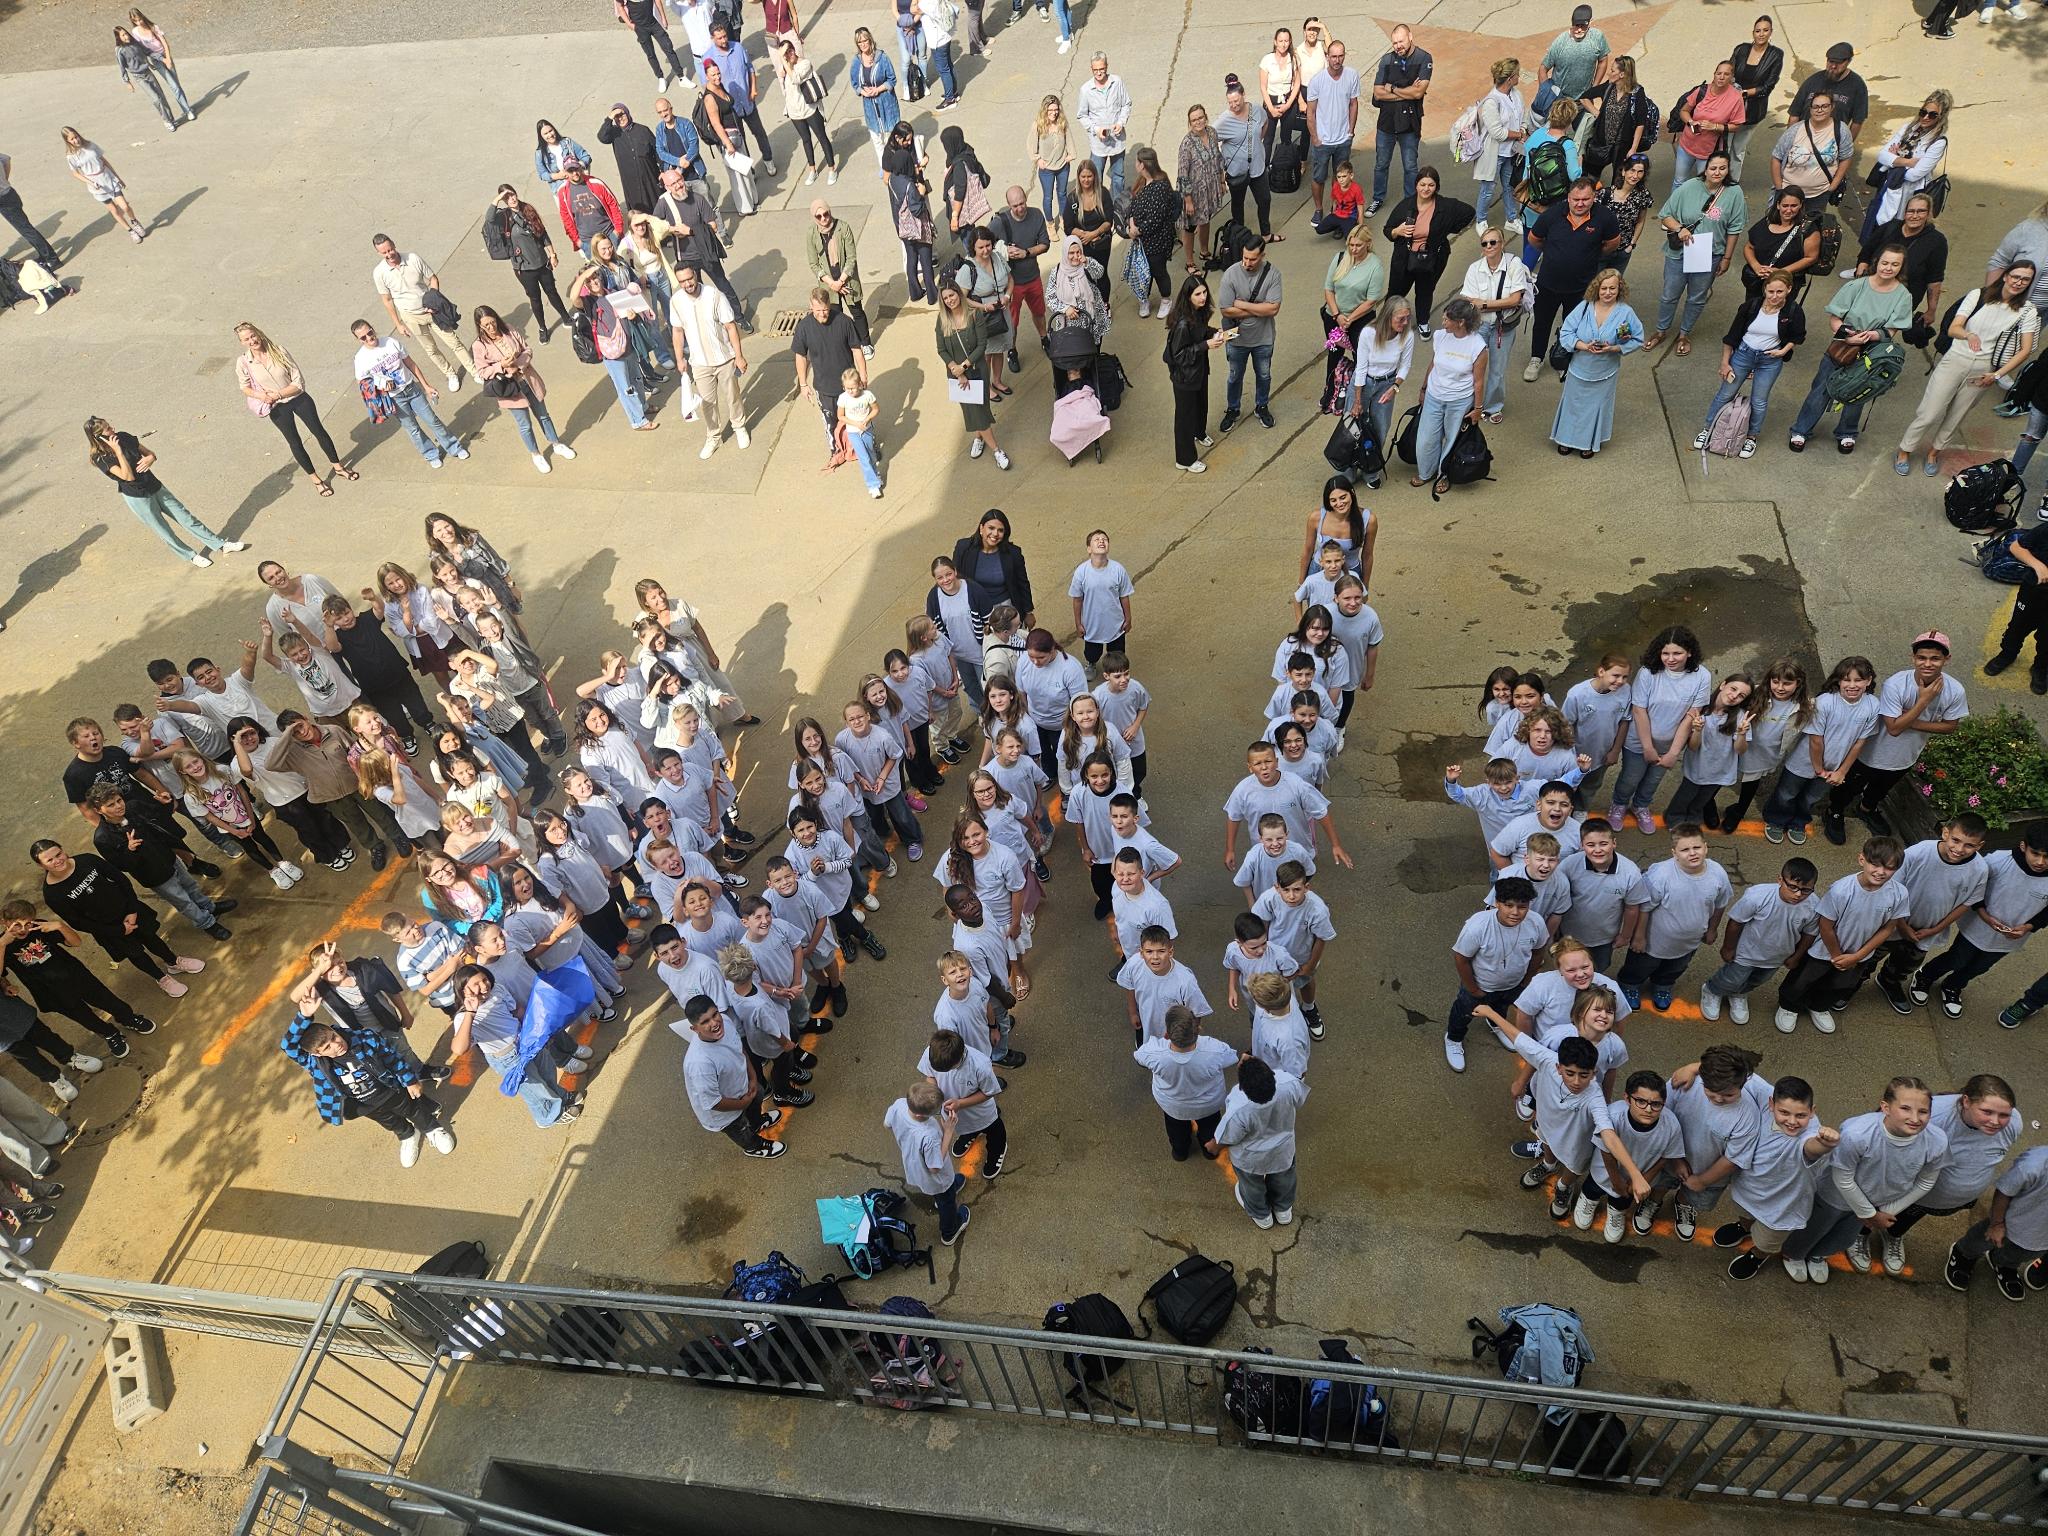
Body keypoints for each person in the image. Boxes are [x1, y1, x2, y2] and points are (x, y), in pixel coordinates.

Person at [1779, 1076, 1943, 1284]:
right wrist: (1870, 1214)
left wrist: (1886, 1211)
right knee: (1815, 1227)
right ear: (1885, 1107)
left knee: (1845, 1235)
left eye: (1923, 1111)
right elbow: (1843, 1178)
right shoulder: (1857, 1134)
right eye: (1905, 1109)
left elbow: (1926, 1182)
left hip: (1874, 1204)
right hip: (1835, 1197)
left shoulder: (1937, 1141)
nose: (1915, 1118)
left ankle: (1819, 1254)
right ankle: (1794, 1254)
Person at [1895, 264, 2037, 476]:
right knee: (1929, 412)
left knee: (1957, 415)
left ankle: (1934, 453)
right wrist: (1968, 335)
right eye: (2015, 276)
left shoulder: (2027, 311)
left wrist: (1997, 375)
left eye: (2025, 279)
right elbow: (1954, 328)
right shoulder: (1978, 295)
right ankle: (1905, 450)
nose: (2019, 282)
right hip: (1956, 360)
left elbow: (2025, 350)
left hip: (1984, 369)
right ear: (2005, 276)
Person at [1831, 633, 1967, 838]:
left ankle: (1866, 809)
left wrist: (1907, 720)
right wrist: (1924, 700)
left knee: (1880, 789)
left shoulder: (1955, 691)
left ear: (1946, 659)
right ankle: (1834, 811)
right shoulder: (1895, 684)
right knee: (1849, 786)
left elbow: (1950, 726)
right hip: (1872, 753)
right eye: (1922, 658)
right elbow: (1893, 729)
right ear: (1913, 658)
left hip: (1906, 756)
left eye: (1935, 658)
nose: (1927, 664)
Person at [1786, 244, 1912, 453]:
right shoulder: (1857, 286)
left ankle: (1847, 432)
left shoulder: (1903, 295)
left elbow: (1892, 329)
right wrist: (1848, 336)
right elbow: (1835, 318)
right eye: (1885, 262)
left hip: (1873, 351)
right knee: (1821, 389)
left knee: (1859, 390)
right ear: (1877, 262)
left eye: (1895, 264)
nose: (1888, 268)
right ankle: (1801, 429)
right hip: (1843, 344)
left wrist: (1869, 336)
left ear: (1901, 267)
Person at [1909, 830, 2048, 1017]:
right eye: (2035, 854)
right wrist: (1984, 914)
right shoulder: (1999, 860)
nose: (2040, 862)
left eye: (2047, 857)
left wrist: (2028, 927)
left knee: (1980, 967)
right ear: (2024, 847)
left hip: (2009, 938)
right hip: (1977, 928)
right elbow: (1974, 887)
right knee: (1957, 958)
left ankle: (1953, 986)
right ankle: (1926, 975)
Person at [85, 417, 245, 569]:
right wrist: (118, 452)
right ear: (99, 437)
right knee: (164, 530)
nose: (113, 429)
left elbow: (150, 454)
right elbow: (128, 476)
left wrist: (150, 458)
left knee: (186, 518)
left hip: (155, 486)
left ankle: (220, 544)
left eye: (110, 425)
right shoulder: (100, 458)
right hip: (138, 498)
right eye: (108, 429)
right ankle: (191, 556)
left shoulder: (124, 437)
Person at [1646, 151, 1747, 356]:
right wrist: (1679, 229)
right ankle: (1661, 330)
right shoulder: (1689, 187)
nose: (1717, 172)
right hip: (1680, 252)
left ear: (1728, 170)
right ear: (1705, 169)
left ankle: (1684, 334)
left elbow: (1734, 229)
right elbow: (1666, 215)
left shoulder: (1734, 193)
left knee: (1697, 297)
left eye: (1722, 168)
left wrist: (1727, 258)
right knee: (1669, 295)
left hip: (1709, 254)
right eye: (1713, 168)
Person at [1696, 271, 1803, 459]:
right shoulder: (1751, 306)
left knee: (1759, 401)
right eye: (1771, 291)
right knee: (1725, 394)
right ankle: (1708, 428)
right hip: (1744, 354)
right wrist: (1725, 363)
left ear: (1789, 289)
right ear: (1765, 289)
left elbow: (1798, 336)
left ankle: (1751, 437)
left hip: (1770, 360)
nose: (1774, 296)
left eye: (1779, 291)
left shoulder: (1793, 311)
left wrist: (1783, 351)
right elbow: (1732, 336)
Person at [1523, 178, 1621, 382]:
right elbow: (1534, 239)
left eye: (1585, 199)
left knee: (1573, 325)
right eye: (1576, 199)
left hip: (1581, 287)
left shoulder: (1605, 217)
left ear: (1594, 197)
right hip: (1548, 284)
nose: (1580, 203)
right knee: (1542, 323)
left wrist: (1589, 256)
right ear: (1568, 198)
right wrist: (1554, 254)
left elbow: (1612, 243)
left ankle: (1563, 359)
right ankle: (1536, 358)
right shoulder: (1552, 215)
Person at [1549, 269, 1643, 459]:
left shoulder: (1626, 313)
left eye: (1612, 288)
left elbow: (1637, 339)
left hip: (1605, 373)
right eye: (1604, 288)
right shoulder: (1584, 307)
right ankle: (1565, 439)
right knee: (1572, 406)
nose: (1608, 293)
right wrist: (1584, 346)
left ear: (1619, 289)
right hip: (1578, 370)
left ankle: (1588, 443)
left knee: (1595, 409)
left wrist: (1614, 348)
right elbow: (1566, 332)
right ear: (1597, 289)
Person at [351, 318, 465, 466]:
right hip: (394, 399)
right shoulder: (361, 358)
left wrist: (426, 386)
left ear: (373, 329)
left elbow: (410, 364)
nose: (369, 338)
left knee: (432, 420)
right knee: (413, 429)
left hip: (412, 389)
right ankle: (431, 455)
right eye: (363, 337)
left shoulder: (390, 342)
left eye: (369, 332)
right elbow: (362, 383)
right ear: (358, 340)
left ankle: (454, 447)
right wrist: (380, 383)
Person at [1210, 1056, 1307, 1228]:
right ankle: (1283, 1210)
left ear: (1242, 1088)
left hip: (1250, 1159)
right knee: (1284, 1180)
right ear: (1272, 1075)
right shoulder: (1288, 1083)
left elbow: (1229, 1136)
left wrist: (1213, 1146)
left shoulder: (1239, 1106)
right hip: (1282, 1151)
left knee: (1252, 1186)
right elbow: (1299, 1100)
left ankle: (1262, 1216)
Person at [370, 235, 473, 389]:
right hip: (411, 317)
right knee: (431, 349)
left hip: (433, 312)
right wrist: (398, 324)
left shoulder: (413, 258)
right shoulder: (379, 273)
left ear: (394, 245)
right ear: (378, 253)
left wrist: (433, 301)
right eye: (384, 252)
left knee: (454, 342)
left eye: (390, 250)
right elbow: (387, 300)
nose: (389, 254)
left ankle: (474, 370)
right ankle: (450, 374)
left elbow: (433, 279)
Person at [670, 263, 750, 456]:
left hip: (724, 359)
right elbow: (677, 331)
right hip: (699, 363)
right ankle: (714, 436)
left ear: (695, 275)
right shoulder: (676, 301)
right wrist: (679, 359)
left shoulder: (714, 296)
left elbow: (730, 326)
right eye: (682, 281)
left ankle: (739, 427)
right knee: (707, 403)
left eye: (689, 278)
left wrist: (739, 356)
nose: (687, 284)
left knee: (733, 396)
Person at [1382, 167, 1472, 337]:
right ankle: (1388, 320)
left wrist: (1448, 229)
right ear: (1416, 185)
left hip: (1432, 258)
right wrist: (1397, 231)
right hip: (1405, 258)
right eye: (1422, 184)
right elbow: (1387, 230)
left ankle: (1423, 321)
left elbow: (1469, 212)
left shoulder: (1445, 205)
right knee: (1396, 290)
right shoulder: (1406, 206)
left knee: (1425, 291)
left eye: (1431, 185)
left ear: (1436, 187)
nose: (1426, 189)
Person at [1410, 297, 1486, 489]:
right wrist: (1424, 388)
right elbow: (1433, 363)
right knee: (1426, 439)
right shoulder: (1440, 336)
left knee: (1452, 440)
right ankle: (1425, 472)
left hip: (1460, 400)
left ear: (1460, 322)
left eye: (1446, 320)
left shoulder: (1478, 346)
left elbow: (1478, 382)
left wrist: (1478, 408)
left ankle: (1443, 474)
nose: (1443, 323)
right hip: (1434, 395)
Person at [483, 185, 573, 345]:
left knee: (552, 292)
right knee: (535, 298)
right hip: (523, 268)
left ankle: (566, 318)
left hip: (542, 262)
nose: (511, 199)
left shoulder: (528, 210)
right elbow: (489, 218)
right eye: (507, 197)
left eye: (512, 195)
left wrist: (552, 254)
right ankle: (543, 328)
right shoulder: (504, 216)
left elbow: (542, 233)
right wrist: (498, 198)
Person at [934, 281, 1007, 469]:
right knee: (976, 412)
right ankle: (997, 450)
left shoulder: (975, 315)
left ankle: (979, 438)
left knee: (981, 408)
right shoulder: (942, 320)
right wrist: (956, 370)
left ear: (959, 294)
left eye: (952, 295)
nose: (949, 300)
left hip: (978, 370)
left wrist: (964, 366)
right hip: (957, 377)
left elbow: (982, 345)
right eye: (945, 298)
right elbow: (941, 350)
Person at [1855, 191, 1946, 339]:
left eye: (1921, 211)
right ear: (1904, 212)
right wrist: (1860, 275)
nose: (1915, 215)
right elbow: (1866, 253)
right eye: (1911, 211)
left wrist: (1931, 310)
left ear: (1929, 214)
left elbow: (1934, 280)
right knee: (1857, 329)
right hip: (1871, 291)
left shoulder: (1936, 241)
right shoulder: (1890, 228)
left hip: (1901, 301)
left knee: (1877, 336)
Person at [1863, 93, 1949, 247]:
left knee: (1897, 234)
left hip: (1911, 194)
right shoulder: (1907, 129)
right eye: (1923, 112)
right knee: (1875, 228)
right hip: (1889, 186)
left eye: (1932, 115)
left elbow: (1914, 175)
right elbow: (1882, 156)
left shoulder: (1938, 142)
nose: (1926, 117)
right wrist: (1907, 161)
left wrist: (1894, 159)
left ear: (1941, 117)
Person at [1216, 235, 1282, 434]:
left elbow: (1273, 309)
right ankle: (1233, 409)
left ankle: (1261, 406)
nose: (1247, 263)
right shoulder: (1230, 274)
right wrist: (1260, 309)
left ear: (1262, 255)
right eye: (1245, 257)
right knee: (1234, 376)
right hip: (1235, 338)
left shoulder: (1273, 274)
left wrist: (1240, 304)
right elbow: (1226, 310)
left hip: (1264, 338)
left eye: (1252, 259)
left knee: (1264, 375)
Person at [884, 1079, 965, 1237]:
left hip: (914, 1164)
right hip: (937, 1178)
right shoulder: (929, 1135)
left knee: (942, 1192)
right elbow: (935, 1167)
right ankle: (950, 1231)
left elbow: (887, 1124)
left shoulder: (900, 1104)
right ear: (920, 1115)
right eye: (937, 1111)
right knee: (946, 1200)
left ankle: (946, 1191)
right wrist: (948, 1132)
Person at [1460, 233, 1527, 425]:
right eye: (1484, 243)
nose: (1488, 246)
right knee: (1470, 367)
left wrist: (1485, 304)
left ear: (1502, 243)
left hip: (1502, 326)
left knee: (1497, 370)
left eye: (1493, 242)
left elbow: (1515, 300)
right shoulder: (1475, 268)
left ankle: (1493, 407)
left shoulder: (1514, 264)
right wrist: (1500, 303)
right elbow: (1470, 301)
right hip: (1479, 325)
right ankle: (1471, 405)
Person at [1368, 24, 1431, 214]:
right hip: (1386, 122)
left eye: (1401, 41)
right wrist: (1407, 91)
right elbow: (1378, 93)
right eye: (1394, 43)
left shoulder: (1423, 58)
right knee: (1381, 164)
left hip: (1410, 124)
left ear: (1410, 37)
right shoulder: (1386, 60)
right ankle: (1377, 198)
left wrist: (1393, 88)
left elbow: (1418, 92)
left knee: (1410, 166)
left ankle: (1410, 203)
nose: (1398, 46)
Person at [1164, 274, 1224, 473]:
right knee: (1185, 417)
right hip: (1184, 377)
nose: (1203, 297)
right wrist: (1206, 345)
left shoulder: (1197, 313)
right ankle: (1185, 459)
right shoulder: (1182, 324)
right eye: (1198, 294)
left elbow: (1200, 330)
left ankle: (1199, 432)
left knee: (1201, 405)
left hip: (1198, 371)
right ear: (1188, 296)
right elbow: (1179, 355)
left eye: (1204, 292)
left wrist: (1213, 332)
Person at [955, 227, 1015, 399]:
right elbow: (961, 297)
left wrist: (1007, 296)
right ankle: (986, 387)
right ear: (973, 247)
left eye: (988, 245)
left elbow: (1010, 280)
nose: (985, 250)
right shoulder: (968, 268)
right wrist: (983, 307)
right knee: (987, 354)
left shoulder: (997, 257)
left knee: (1000, 348)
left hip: (1001, 312)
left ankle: (997, 381)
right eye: (980, 247)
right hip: (983, 317)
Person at [1304, 39, 1360, 223]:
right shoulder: (1317, 80)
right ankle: (1319, 209)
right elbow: (1310, 112)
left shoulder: (1352, 75)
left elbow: (1353, 103)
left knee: (1341, 178)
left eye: (1340, 56)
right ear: (1327, 57)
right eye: (1333, 56)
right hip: (1323, 140)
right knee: (1318, 177)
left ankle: (1337, 211)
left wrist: (1350, 131)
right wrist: (1315, 137)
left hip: (1343, 139)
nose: (1337, 60)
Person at [60, 127, 147, 245]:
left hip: (108, 178)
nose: (76, 140)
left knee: (125, 206)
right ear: (67, 141)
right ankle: (130, 231)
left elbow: (104, 161)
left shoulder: (90, 145)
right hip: (97, 186)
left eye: (76, 136)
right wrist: (90, 182)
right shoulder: (71, 156)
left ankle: (135, 222)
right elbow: (75, 173)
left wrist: (117, 177)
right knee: (114, 210)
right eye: (72, 139)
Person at [1669, 61, 1746, 189]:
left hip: (1709, 152)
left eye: (1726, 74)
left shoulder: (1736, 98)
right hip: (1687, 145)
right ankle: (1675, 203)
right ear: (1714, 74)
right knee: (1679, 181)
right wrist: (1691, 122)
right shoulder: (1702, 90)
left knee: (1703, 186)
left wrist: (1715, 126)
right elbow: (1684, 111)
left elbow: (1737, 125)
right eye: (1719, 73)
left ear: (1732, 77)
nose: (1721, 77)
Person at [1726, 16, 1784, 182]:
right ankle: (1719, 179)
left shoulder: (1775, 55)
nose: (1761, 34)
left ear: (1771, 32)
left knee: (1738, 149)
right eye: (1758, 30)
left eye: (1765, 30)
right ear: (1753, 32)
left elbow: (1768, 86)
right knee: (1723, 146)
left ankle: (1732, 183)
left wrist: (1743, 93)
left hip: (1752, 110)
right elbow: (1729, 71)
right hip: (1730, 106)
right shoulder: (1741, 49)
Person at [1768, 90, 1851, 207]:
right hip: (1788, 194)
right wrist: (1779, 188)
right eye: (1815, 107)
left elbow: (1846, 158)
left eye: (1824, 106)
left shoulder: (1841, 130)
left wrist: (1833, 186)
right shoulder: (1795, 130)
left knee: (1813, 219)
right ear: (1810, 109)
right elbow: (1776, 157)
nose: (1819, 110)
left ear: (1832, 107)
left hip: (1819, 195)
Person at [1471, 58, 1527, 229]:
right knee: (1488, 189)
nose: (1519, 77)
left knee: (1509, 186)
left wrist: (1523, 129)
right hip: (1494, 154)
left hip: (1511, 152)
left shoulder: (1516, 94)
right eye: (1517, 74)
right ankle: (1481, 220)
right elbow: (1497, 133)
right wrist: (1519, 135)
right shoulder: (1491, 102)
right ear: (1509, 78)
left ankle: (1511, 219)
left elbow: (1523, 116)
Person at [1215, 76, 1270, 243]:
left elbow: (1265, 123)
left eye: (1236, 101)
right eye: (1230, 102)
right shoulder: (1224, 120)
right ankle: (1240, 238)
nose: (1234, 105)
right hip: (1236, 170)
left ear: (1243, 95)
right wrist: (1220, 161)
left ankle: (1266, 234)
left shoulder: (1257, 110)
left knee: (1265, 200)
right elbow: (1210, 139)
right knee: (1238, 204)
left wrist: (1257, 142)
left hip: (1257, 165)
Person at [1743, 188, 1822, 304]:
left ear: (1801, 205)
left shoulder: (1808, 230)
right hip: (1756, 283)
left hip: (1784, 286)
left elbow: (1811, 257)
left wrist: (1781, 272)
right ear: (1778, 205)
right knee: (1751, 310)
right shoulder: (1767, 221)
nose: (1789, 210)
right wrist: (1756, 267)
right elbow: (1749, 247)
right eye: (1785, 205)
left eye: (1794, 206)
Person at [1578, 57, 1648, 188]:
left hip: (1621, 146)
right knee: (1590, 176)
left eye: (1612, 70)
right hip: (1600, 142)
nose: (1609, 73)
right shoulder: (1609, 86)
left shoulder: (1637, 93)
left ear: (1622, 74)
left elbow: (1640, 123)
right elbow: (1584, 97)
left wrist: (1633, 148)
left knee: (1618, 181)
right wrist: (1597, 113)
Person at [1535, 4, 1610, 117]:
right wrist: (1548, 95)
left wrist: (1594, 87)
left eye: (1583, 26)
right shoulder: (1560, 42)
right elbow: (1543, 68)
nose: (1579, 29)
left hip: (1584, 103)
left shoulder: (1597, 37)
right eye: (1576, 25)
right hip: (1561, 104)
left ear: (1590, 22)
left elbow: (1603, 60)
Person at [1077, 53, 1131, 200]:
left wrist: (1121, 122)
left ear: (1107, 66)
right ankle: (1099, 206)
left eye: (1101, 69)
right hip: (1098, 144)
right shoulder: (1086, 90)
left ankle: (1117, 207)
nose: (1099, 73)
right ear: (1091, 69)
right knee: (1095, 178)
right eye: (1095, 70)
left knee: (1118, 177)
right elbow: (1082, 115)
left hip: (1117, 141)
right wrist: (1096, 130)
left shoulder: (1117, 82)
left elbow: (1126, 104)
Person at [848, 28, 900, 182]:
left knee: (890, 136)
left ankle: (896, 164)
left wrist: (878, 89)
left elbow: (892, 79)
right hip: (870, 106)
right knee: (877, 139)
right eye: (860, 42)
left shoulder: (882, 58)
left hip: (886, 103)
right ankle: (884, 167)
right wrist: (863, 92)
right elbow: (855, 83)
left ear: (870, 40)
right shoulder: (856, 61)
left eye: (865, 40)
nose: (863, 44)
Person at [0, 150, 63, 270]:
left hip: (4, 200)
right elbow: (6, 159)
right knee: (26, 229)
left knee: (27, 230)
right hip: (9, 193)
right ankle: (44, 256)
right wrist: (5, 179)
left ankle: (52, 259)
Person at [114, 25, 178, 131]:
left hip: (148, 72)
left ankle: (171, 119)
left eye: (126, 33)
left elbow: (148, 52)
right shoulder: (119, 50)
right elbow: (122, 67)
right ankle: (166, 120)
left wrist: (163, 59)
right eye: (123, 35)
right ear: (118, 38)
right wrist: (127, 82)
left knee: (161, 96)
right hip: (139, 77)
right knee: (156, 99)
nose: (126, 36)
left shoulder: (135, 43)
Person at [616, 0, 686, 88]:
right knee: (650, 54)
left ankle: (681, 77)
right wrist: (629, 24)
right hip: (640, 28)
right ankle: (661, 78)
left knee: (668, 47)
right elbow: (619, 6)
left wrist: (663, 18)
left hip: (654, 22)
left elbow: (657, 1)